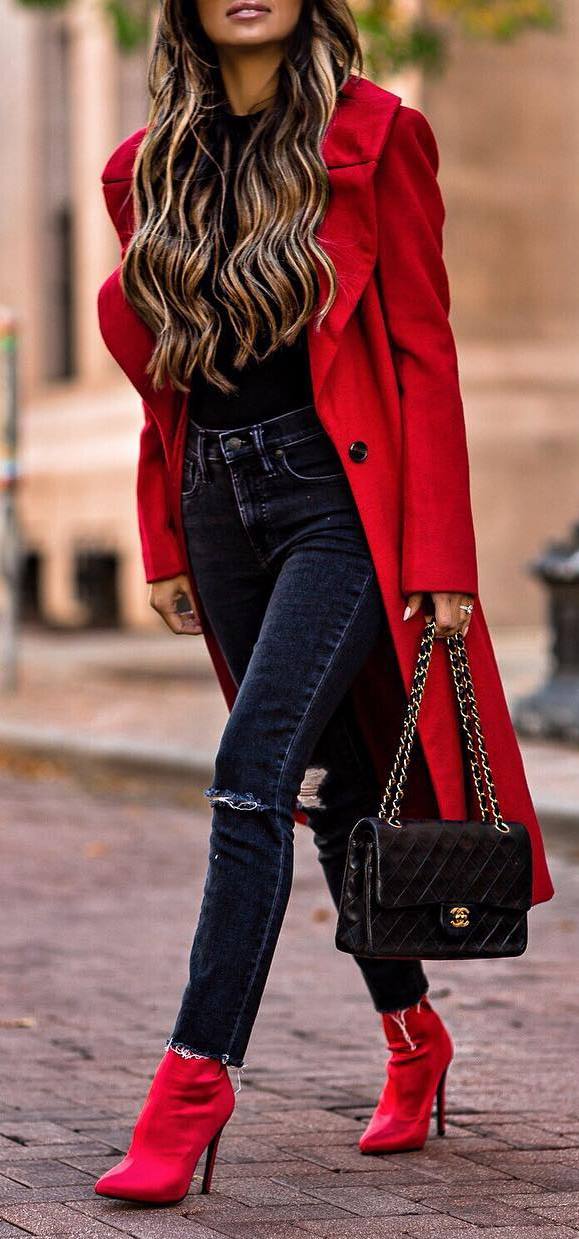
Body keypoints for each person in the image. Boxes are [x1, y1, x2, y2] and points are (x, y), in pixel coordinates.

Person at [93, 0, 554, 1207]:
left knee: (249, 776)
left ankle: (192, 1085)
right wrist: (164, 541)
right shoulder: (143, 170)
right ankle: (414, 1039)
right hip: (217, 506)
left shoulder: (378, 137)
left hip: (338, 508)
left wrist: (444, 558)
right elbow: (165, 386)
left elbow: (422, 350)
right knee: (344, 791)